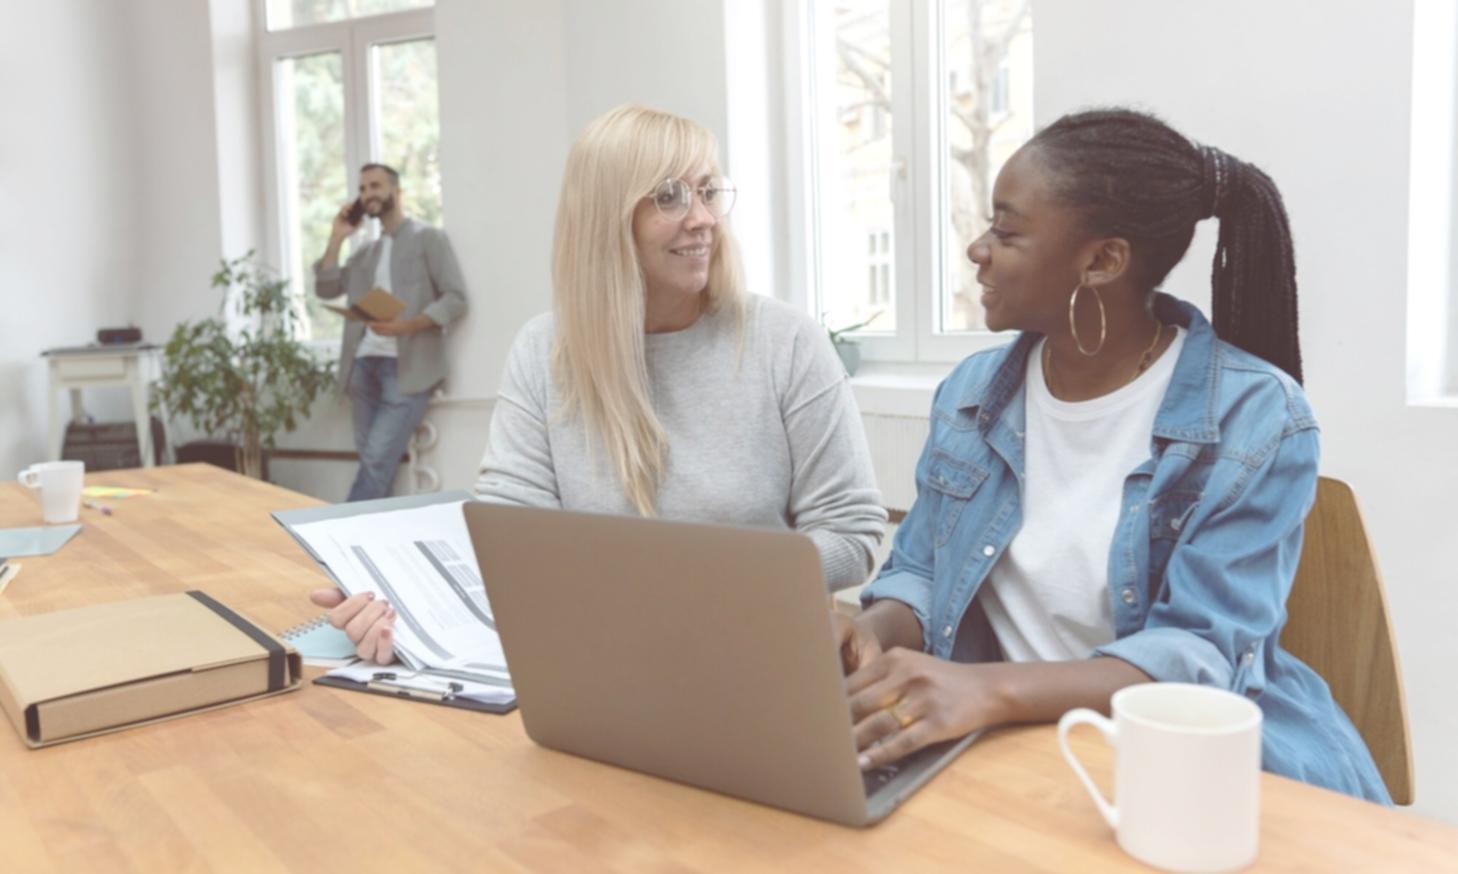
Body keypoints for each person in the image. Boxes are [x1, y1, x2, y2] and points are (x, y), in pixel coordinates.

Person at [834, 108, 1391, 803]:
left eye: (1006, 232)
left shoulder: (1258, 418)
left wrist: (987, 688)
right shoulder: (971, 395)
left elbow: (1197, 656)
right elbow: (921, 568)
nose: (978, 249)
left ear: (1102, 261)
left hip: (1190, 770)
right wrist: (867, 633)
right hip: (1011, 758)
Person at [313, 105, 887, 663]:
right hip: (599, 658)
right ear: (607, 219)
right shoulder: (544, 350)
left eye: (708, 190)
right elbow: (514, 531)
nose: (704, 218)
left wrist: (700, 581)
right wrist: (399, 602)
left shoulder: (786, 341)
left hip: (753, 657)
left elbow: (852, 533)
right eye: (669, 196)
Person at [314, 162, 469, 502]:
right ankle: (370, 547)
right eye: (363, 189)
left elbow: (456, 298)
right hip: (362, 367)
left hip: (408, 371)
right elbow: (325, 289)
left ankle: (341, 534)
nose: (368, 194)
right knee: (375, 466)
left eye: (375, 186)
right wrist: (337, 237)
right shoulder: (363, 254)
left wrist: (409, 324)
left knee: (376, 461)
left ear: (396, 192)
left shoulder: (428, 238)